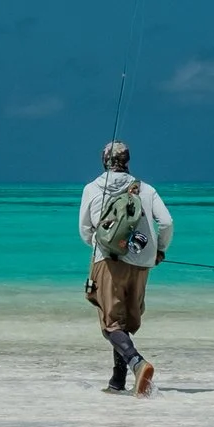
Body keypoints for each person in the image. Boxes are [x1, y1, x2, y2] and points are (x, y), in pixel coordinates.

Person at [79, 140, 173, 396]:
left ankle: (137, 363)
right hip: (142, 263)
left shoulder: (92, 188)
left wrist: (105, 247)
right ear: (128, 161)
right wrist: (159, 251)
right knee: (124, 322)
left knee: (111, 323)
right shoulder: (146, 189)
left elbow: (85, 230)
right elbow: (166, 222)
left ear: (103, 161)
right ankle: (117, 380)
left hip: (108, 261)